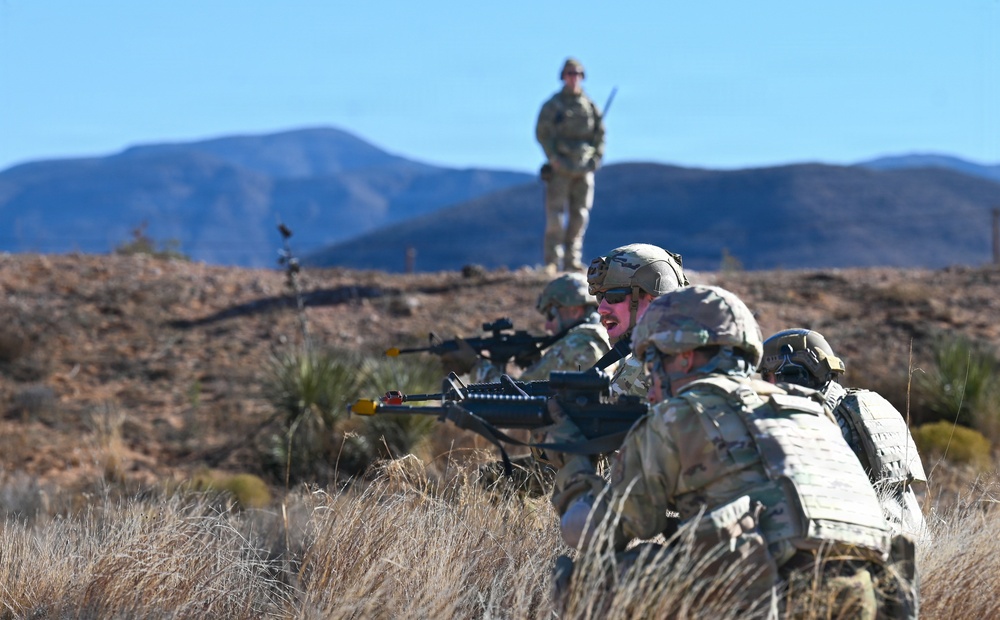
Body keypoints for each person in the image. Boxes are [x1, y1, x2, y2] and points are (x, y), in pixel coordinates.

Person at [542, 286, 913, 617]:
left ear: (683, 357)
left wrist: (572, 460)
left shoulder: (679, 414)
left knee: (586, 582)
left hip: (770, 600)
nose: (651, 385)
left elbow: (597, 533)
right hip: (871, 601)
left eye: (652, 361)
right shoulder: (811, 410)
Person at [759, 328, 928, 538]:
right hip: (914, 539)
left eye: (768, 376)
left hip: (875, 548)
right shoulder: (864, 405)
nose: (766, 385)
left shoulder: (818, 422)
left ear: (793, 375)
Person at [454, 273, 612, 383]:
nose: (547, 325)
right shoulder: (608, 336)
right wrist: (538, 361)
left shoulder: (575, 345)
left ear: (574, 311)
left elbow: (518, 396)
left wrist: (475, 366)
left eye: (551, 315)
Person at [585, 243, 688, 399]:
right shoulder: (643, 356)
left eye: (614, 297)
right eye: (600, 297)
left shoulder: (673, 363)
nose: (602, 308)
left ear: (655, 300)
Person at [536, 57, 606, 272]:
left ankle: (571, 259)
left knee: (579, 216)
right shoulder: (553, 105)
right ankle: (551, 261)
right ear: (563, 77)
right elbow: (542, 133)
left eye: (577, 74)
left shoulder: (590, 105)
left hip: (584, 168)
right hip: (561, 167)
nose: (573, 78)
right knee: (556, 216)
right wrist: (554, 158)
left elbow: (600, 135)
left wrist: (596, 158)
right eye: (570, 74)